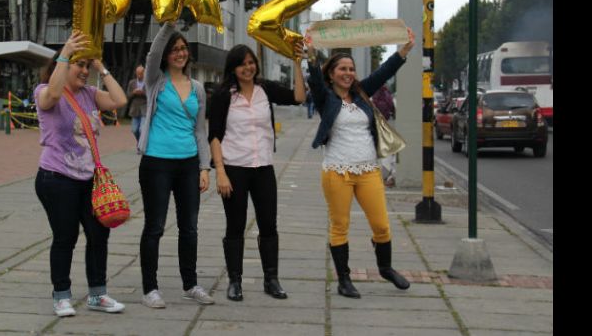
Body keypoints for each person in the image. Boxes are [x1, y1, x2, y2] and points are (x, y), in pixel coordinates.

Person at [307, 28, 415, 299]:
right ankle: (344, 279)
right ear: (331, 73)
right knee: (340, 225)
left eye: (351, 69)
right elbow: (315, 82)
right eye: (342, 68)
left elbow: (383, 73)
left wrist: (403, 50)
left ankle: (385, 268)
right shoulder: (326, 97)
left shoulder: (360, 93)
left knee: (381, 224)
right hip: (337, 171)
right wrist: (310, 54)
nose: (348, 73)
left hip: (368, 170)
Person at [33, 31, 129, 317]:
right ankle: (61, 295)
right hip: (56, 177)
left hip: (88, 179)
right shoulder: (44, 91)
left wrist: (102, 68)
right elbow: (52, 95)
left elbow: (120, 100)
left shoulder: (89, 94)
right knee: (66, 237)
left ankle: (98, 294)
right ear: (64, 64)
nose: (85, 72)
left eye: (88, 67)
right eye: (81, 65)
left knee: (99, 234)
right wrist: (66, 51)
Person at [208, 43, 305, 302]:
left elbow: (298, 97)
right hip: (234, 168)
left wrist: (297, 63)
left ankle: (271, 279)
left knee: (268, 225)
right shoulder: (223, 95)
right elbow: (214, 135)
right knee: (235, 226)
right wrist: (220, 172)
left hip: (263, 167)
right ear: (233, 68)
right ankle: (235, 281)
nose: (248, 68)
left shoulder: (266, 89)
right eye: (242, 64)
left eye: (251, 62)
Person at [137, 21, 214, 309]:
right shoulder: (156, 81)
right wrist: (169, 25)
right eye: (175, 50)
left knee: (189, 228)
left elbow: (199, 131)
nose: (180, 53)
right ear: (167, 55)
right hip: (157, 162)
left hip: (188, 164)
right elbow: (152, 54)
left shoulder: (197, 88)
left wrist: (204, 167)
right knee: (155, 226)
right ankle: (150, 288)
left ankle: (190, 284)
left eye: (183, 49)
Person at [371, 84, 397, 187]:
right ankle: (386, 175)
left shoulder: (373, 94)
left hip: (375, 124)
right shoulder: (388, 94)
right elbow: (392, 108)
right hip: (386, 123)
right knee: (388, 152)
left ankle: (382, 175)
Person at [126, 65, 147, 142]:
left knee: (142, 130)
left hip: (145, 109)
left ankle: (141, 145)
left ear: (144, 73)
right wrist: (134, 93)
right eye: (137, 73)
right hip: (134, 109)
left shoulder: (148, 82)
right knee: (134, 130)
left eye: (141, 73)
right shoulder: (132, 82)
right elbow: (128, 95)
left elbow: (152, 96)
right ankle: (139, 142)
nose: (139, 75)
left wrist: (143, 93)